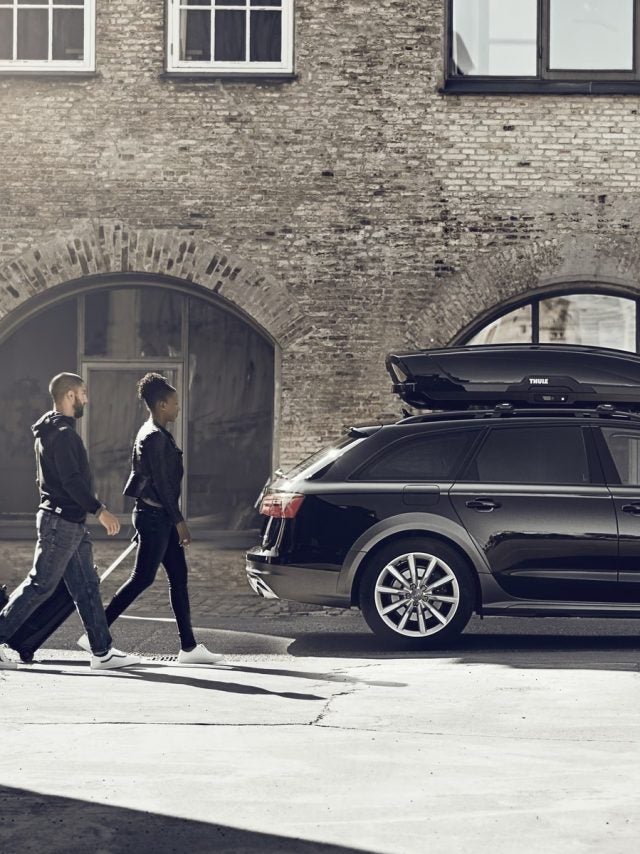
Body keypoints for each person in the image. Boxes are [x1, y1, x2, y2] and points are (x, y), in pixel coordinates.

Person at [77, 373, 223, 665]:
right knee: (142, 578)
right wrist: (180, 522)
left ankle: (189, 648)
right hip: (157, 517)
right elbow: (164, 486)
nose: (178, 408)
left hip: (158, 517)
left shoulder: (156, 432)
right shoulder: (154, 437)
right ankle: (95, 635)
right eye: (174, 403)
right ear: (161, 405)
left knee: (178, 578)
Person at [0, 373, 140, 671]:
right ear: (70, 396)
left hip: (69, 523)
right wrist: (99, 510)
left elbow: (46, 479)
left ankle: (102, 652)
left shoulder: (49, 431)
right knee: (40, 585)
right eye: (83, 392)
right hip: (60, 522)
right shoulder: (63, 434)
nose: (87, 399)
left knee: (87, 586)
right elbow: (71, 481)